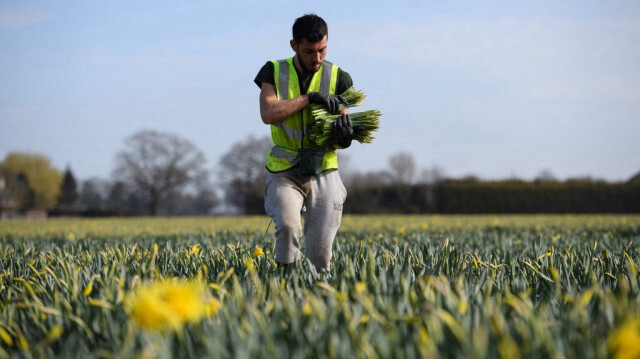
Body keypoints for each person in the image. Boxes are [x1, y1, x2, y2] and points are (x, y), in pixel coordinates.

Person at [253, 13, 355, 272]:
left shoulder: (339, 78)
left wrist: (344, 136)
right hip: (284, 168)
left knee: (320, 255)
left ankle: (314, 298)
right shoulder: (273, 71)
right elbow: (269, 114)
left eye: (322, 50)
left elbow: (343, 130)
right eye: (310, 51)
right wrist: (309, 98)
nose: (317, 58)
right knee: (288, 226)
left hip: (325, 167)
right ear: (294, 45)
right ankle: (285, 287)